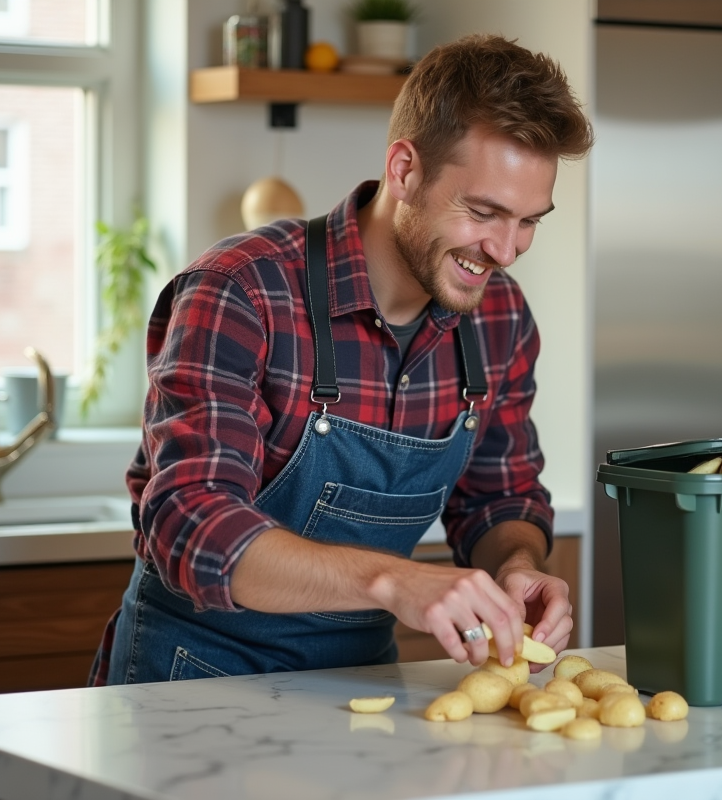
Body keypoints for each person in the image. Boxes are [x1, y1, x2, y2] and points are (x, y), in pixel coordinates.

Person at [90, 33, 594, 686]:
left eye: (529, 221)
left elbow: (500, 497)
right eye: (484, 213)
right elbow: (193, 525)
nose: (506, 249)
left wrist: (519, 567)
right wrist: (392, 580)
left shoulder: (498, 319)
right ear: (405, 168)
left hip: (357, 686)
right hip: (190, 676)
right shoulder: (241, 290)